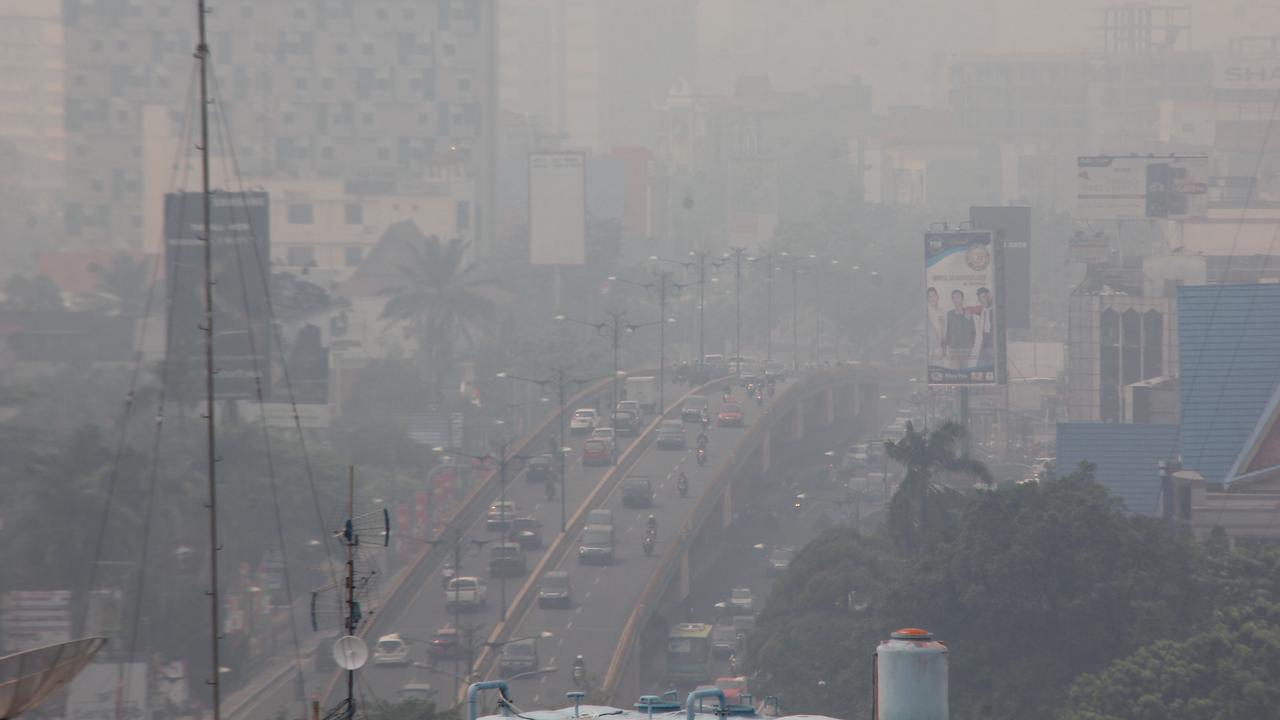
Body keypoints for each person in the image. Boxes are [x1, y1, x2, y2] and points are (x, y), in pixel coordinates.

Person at [942, 288, 975, 370]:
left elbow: (973, 331)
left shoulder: (968, 312)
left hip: (966, 348)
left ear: (962, 299)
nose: (956, 299)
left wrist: (971, 345)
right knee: (955, 371)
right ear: (952, 300)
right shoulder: (950, 314)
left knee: (964, 371)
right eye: (954, 297)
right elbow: (948, 331)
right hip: (954, 348)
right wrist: (947, 346)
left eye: (958, 297)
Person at [975, 286, 995, 368]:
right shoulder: (983, 310)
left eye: (984, 297)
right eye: (980, 298)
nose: (982, 300)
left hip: (992, 342)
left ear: (989, 295)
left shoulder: (996, 310)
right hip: (985, 342)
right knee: (981, 367)